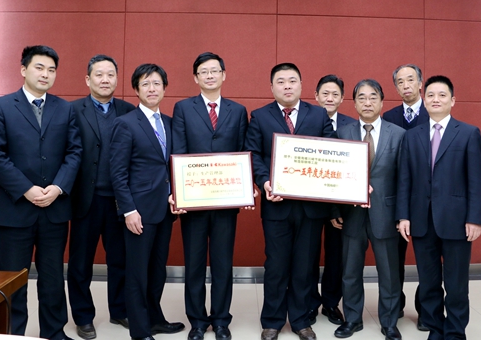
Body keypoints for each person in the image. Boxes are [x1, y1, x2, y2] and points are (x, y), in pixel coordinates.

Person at [0, 45, 82, 340]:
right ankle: (13, 334)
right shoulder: (0, 107)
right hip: (15, 208)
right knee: (14, 280)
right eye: (39, 68)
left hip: (55, 208)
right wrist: (26, 189)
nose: (45, 74)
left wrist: (58, 187)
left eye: (51, 70)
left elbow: (74, 152)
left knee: (52, 278)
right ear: (24, 69)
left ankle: (54, 332)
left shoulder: (65, 108)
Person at [245, 63, 334, 340]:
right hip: (277, 204)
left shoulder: (318, 114)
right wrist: (264, 181)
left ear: (301, 85)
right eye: (281, 81)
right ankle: (272, 321)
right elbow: (253, 154)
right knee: (276, 265)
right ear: (271, 87)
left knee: (305, 266)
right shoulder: (260, 116)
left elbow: (332, 151)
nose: (287, 86)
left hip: (311, 207)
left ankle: (300, 320)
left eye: (292, 80)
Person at [397, 75, 481, 340]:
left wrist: (475, 218)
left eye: (442, 95)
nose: (436, 99)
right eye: (431, 95)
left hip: (458, 221)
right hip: (421, 221)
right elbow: (404, 180)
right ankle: (435, 330)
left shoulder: (468, 133)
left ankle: (455, 332)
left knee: (456, 284)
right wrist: (403, 216)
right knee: (428, 282)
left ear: (452, 100)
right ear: (424, 100)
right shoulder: (411, 136)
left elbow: (476, 181)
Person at [171, 52, 248, 340]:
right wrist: (179, 192)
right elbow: (178, 150)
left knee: (222, 263)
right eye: (204, 71)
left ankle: (221, 320)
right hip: (193, 201)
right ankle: (197, 321)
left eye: (215, 70)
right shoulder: (183, 108)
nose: (210, 75)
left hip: (226, 201)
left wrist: (245, 187)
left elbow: (243, 151)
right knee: (194, 264)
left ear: (224, 75)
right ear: (196, 78)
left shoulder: (238, 110)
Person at [110, 63, 185, 340]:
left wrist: (178, 195)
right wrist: (128, 210)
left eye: (156, 83)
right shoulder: (126, 123)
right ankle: (140, 330)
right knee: (137, 274)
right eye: (145, 84)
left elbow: (173, 165)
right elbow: (118, 172)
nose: (151, 89)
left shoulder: (171, 123)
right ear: (136, 90)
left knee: (157, 271)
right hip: (139, 212)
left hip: (165, 209)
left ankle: (155, 319)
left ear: (164, 88)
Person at [67, 55, 136, 339]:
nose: (105, 79)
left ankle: (119, 310)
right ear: (88, 79)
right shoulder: (72, 110)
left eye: (110, 74)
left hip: (120, 200)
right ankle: (83, 317)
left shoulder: (129, 111)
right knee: (80, 262)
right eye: (99, 74)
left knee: (120, 260)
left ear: (117, 79)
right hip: (86, 198)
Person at [334, 79, 404, 340]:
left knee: (389, 272)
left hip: (386, 213)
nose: (367, 102)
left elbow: (404, 179)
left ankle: (389, 322)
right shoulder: (343, 133)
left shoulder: (398, 134)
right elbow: (333, 176)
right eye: (361, 98)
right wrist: (335, 210)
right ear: (354, 103)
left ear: (382, 102)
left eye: (373, 97)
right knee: (350, 271)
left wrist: (402, 215)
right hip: (351, 214)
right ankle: (352, 319)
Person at [382, 64, 428, 330]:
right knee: (394, 258)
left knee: (427, 260)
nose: (406, 85)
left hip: (426, 200)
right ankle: (395, 304)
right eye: (400, 82)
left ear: (420, 83)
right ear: (396, 88)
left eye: (411, 80)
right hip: (395, 199)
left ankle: (426, 310)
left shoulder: (434, 112)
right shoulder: (388, 116)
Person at [309, 75, 356, 325]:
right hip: (310, 201)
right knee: (308, 254)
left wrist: (336, 207)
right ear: (316, 96)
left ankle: (330, 302)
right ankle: (309, 302)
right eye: (325, 93)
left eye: (335, 94)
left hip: (340, 204)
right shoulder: (305, 120)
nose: (330, 98)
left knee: (336, 255)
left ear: (342, 98)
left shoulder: (351, 125)